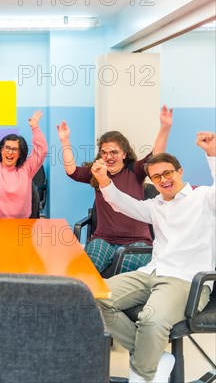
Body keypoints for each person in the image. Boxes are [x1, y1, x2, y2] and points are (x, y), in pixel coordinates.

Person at [91, 132, 215, 383]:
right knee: (92, 297)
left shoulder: (203, 199)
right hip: (152, 273)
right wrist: (104, 180)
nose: (163, 180)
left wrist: (212, 154)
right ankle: (153, 357)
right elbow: (120, 203)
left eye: (168, 173)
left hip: (186, 280)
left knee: (151, 319)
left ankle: (143, 375)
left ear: (179, 171)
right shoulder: (155, 206)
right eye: (156, 177)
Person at [57, 106, 172, 274]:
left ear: (124, 154)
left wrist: (165, 127)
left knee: (122, 273)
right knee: (86, 271)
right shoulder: (97, 172)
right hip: (104, 240)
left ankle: (111, 300)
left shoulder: (135, 170)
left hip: (137, 242)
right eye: (104, 152)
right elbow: (72, 171)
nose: (109, 156)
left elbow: (155, 157)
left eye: (114, 152)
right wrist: (65, 141)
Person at [0, 104, 47, 218]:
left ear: (20, 154)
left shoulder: (27, 170)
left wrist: (35, 127)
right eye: (7, 147)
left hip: (22, 226)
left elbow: (41, 150)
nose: (10, 152)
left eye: (15, 149)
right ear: (1, 150)